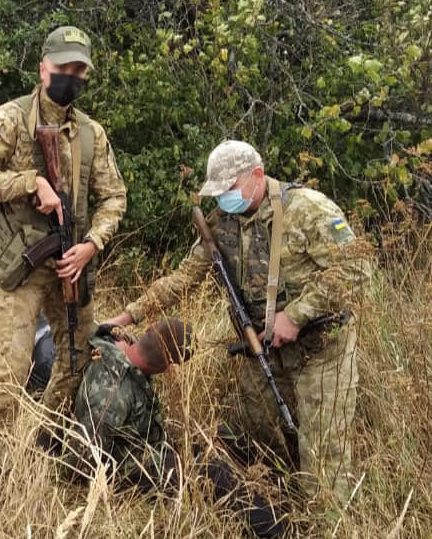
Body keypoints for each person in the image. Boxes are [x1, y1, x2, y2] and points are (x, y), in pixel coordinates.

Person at [104, 140, 372, 503]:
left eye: (229, 190)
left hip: (321, 347)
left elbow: (355, 271)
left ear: (257, 176)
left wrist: (294, 315)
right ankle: (273, 504)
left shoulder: (309, 210)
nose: (222, 200)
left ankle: (327, 518)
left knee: (324, 455)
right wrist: (128, 314)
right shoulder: (222, 222)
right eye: (217, 193)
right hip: (262, 349)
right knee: (254, 433)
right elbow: (185, 277)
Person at [0, 26, 127, 493]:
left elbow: (114, 197)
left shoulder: (91, 134)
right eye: (63, 68)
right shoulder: (8, 121)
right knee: (11, 370)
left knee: (77, 358)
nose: (70, 78)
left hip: (71, 264)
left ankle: (47, 441)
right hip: (21, 264)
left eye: (79, 71)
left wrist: (91, 243)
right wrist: (29, 181)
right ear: (43, 67)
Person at [69, 319, 285, 538]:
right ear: (167, 366)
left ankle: (282, 482)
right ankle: (276, 532)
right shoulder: (113, 394)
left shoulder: (123, 345)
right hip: (126, 465)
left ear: (149, 329)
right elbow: (80, 459)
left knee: (223, 433)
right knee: (213, 474)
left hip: (148, 442)